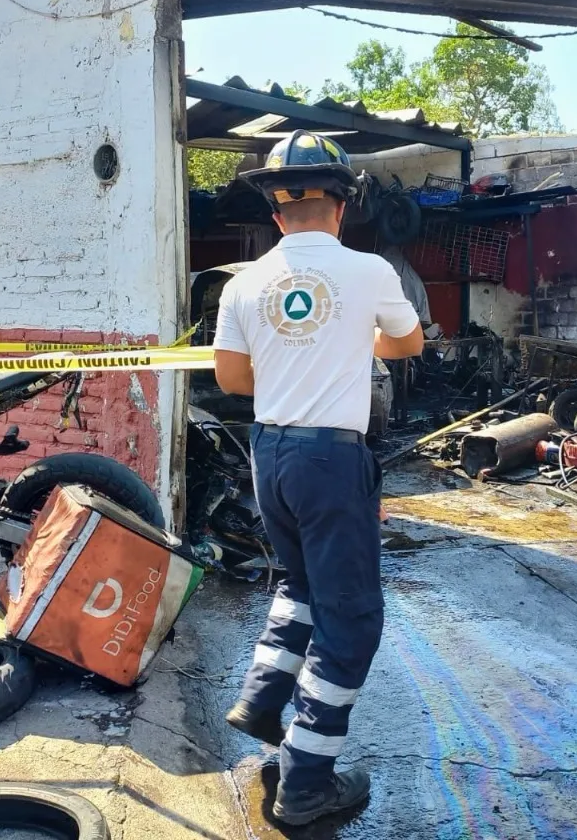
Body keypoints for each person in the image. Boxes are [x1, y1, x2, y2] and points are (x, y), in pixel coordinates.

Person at [211, 131, 424, 826]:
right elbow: (408, 342)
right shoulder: (368, 271)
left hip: (269, 455)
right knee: (351, 620)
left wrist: (292, 365)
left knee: (299, 585)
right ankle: (304, 783)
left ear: (275, 213)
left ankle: (262, 699)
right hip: (331, 461)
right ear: (342, 207)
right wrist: (349, 344)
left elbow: (232, 378)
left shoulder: (242, 283)